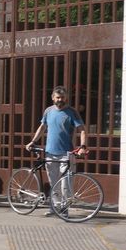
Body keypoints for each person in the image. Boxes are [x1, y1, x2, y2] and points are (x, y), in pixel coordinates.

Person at [26, 85, 88, 213]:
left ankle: (64, 209)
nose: (60, 100)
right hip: (50, 153)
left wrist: (82, 147)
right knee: (53, 182)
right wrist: (33, 141)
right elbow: (42, 127)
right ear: (53, 98)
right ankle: (54, 207)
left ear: (66, 98)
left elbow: (82, 130)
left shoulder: (72, 112)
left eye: (63, 97)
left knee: (66, 184)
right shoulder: (48, 111)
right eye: (58, 97)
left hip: (67, 153)